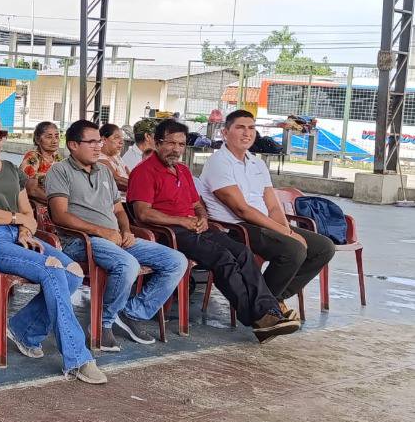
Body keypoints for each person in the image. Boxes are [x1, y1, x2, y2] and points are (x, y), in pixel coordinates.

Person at [0, 110, 106, 384]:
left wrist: (23, 228)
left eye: (2, 133)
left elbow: (28, 212)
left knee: (73, 271)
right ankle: (79, 358)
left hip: (17, 235)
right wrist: (17, 219)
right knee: (52, 269)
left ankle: (24, 329)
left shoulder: (10, 169)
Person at [126, 120, 300, 343]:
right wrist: (182, 221)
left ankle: (269, 311)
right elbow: (143, 214)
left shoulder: (183, 170)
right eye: (170, 143)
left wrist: (202, 217)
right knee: (222, 258)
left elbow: (196, 203)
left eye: (181, 144)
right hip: (168, 233)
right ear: (157, 143)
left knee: (242, 252)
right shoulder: (144, 171)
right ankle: (258, 318)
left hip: (194, 227)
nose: (176, 149)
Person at [46, 120, 187, 350]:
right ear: (73, 145)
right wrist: (101, 231)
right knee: (128, 264)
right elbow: (60, 216)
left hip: (115, 238)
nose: (98, 147)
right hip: (81, 240)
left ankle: (132, 313)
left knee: (176, 261)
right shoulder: (60, 171)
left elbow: (119, 210)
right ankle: (103, 323)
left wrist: (126, 230)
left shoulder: (104, 171)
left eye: (99, 142)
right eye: (91, 142)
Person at [199, 110, 335, 315]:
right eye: (240, 128)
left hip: (262, 223)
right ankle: (264, 307)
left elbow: (273, 206)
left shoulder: (257, 162)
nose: (247, 133)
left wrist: (287, 229)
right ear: (225, 133)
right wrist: (287, 234)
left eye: (251, 128)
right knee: (293, 249)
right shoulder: (218, 162)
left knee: (323, 247)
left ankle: (270, 300)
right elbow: (242, 210)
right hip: (235, 228)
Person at [19, 121, 62, 200]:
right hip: (38, 204)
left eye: (56, 136)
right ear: (38, 140)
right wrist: (56, 201)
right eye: (49, 137)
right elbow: (31, 190)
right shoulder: (33, 158)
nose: (55, 141)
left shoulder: (57, 158)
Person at [96, 122, 130, 191]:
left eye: (122, 137)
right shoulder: (99, 159)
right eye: (116, 137)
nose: (121, 142)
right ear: (104, 139)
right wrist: (140, 186)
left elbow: (129, 174)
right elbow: (118, 181)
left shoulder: (116, 156)